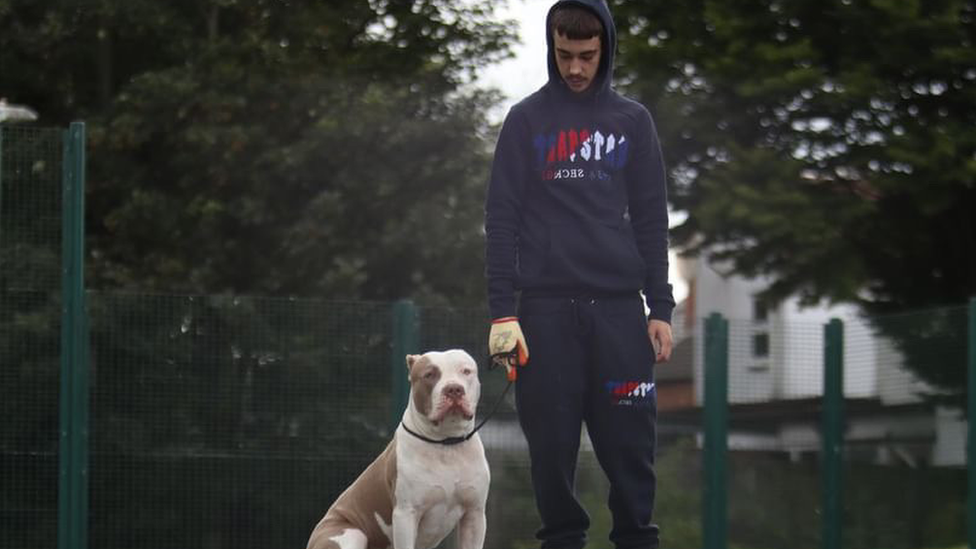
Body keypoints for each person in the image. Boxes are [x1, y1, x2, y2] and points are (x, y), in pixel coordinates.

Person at [484, 1, 675, 548]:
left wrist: (659, 308)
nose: (574, 68)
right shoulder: (525, 120)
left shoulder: (632, 121)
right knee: (550, 452)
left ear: (605, 50)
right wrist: (503, 311)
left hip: (619, 318)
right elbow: (501, 220)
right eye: (564, 54)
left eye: (586, 56)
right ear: (552, 47)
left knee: (631, 451)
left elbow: (650, 219)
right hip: (544, 319)